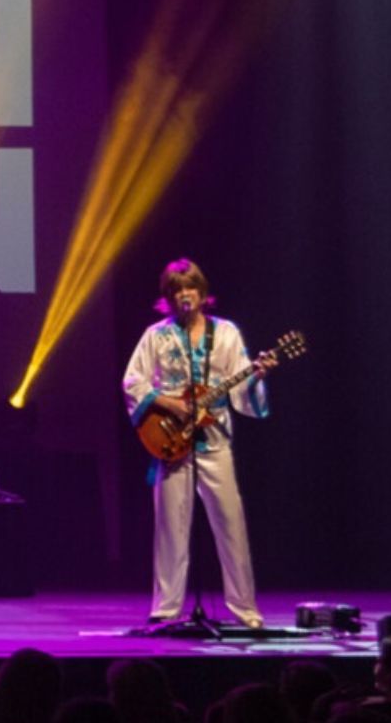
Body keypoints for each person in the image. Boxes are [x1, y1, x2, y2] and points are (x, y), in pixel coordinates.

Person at [121, 258, 273, 628]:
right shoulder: (156, 336)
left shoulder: (226, 333)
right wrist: (170, 403)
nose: (184, 295)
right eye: (176, 290)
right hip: (172, 440)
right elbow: (133, 381)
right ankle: (166, 607)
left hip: (214, 439)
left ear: (202, 293)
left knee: (231, 524)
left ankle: (245, 608)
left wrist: (255, 377)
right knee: (170, 529)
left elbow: (239, 386)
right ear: (168, 297)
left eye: (190, 288)